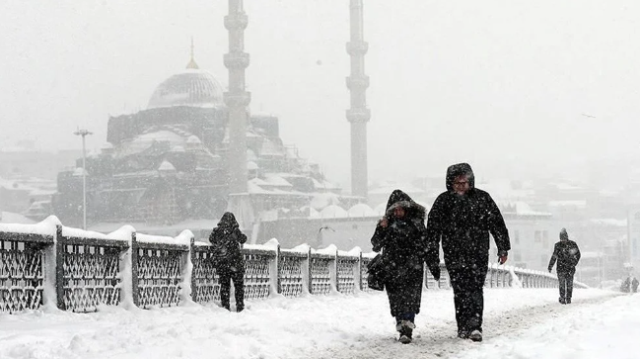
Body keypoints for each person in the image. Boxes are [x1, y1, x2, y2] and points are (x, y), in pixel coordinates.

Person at [425, 163, 510, 342]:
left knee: (475, 288)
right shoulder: (443, 202)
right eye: (458, 183)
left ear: (470, 182)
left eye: (465, 182)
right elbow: (432, 231)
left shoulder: (482, 199)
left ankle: (475, 326)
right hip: (454, 253)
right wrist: (431, 256)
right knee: (460, 290)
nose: (462, 186)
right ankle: (463, 326)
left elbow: (497, 223)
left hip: (478, 253)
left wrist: (503, 247)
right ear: (451, 183)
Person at [370, 189, 440, 344]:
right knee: (396, 299)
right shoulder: (386, 225)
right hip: (392, 268)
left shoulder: (417, 225)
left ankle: (407, 327)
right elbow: (375, 245)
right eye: (395, 209)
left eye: (401, 208)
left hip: (412, 268)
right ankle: (401, 325)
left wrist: (434, 266)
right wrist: (381, 228)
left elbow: (427, 247)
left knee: (410, 298)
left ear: (408, 208)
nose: (398, 211)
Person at [209, 212, 247, 312]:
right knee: (238, 286)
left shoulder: (217, 231)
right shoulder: (235, 231)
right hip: (235, 263)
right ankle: (240, 306)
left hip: (223, 264)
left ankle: (225, 306)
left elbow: (211, 239)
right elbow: (243, 239)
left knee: (225, 286)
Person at [548, 228, 581, 304]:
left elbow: (578, 254)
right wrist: (550, 266)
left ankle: (568, 298)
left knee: (569, 284)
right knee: (562, 284)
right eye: (561, 239)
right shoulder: (557, 246)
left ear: (567, 237)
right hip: (561, 268)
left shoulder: (572, 245)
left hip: (570, 268)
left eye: (564, 238)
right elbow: (554, 256)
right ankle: (562, 297)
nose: (563, 240)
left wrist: (574, 263)